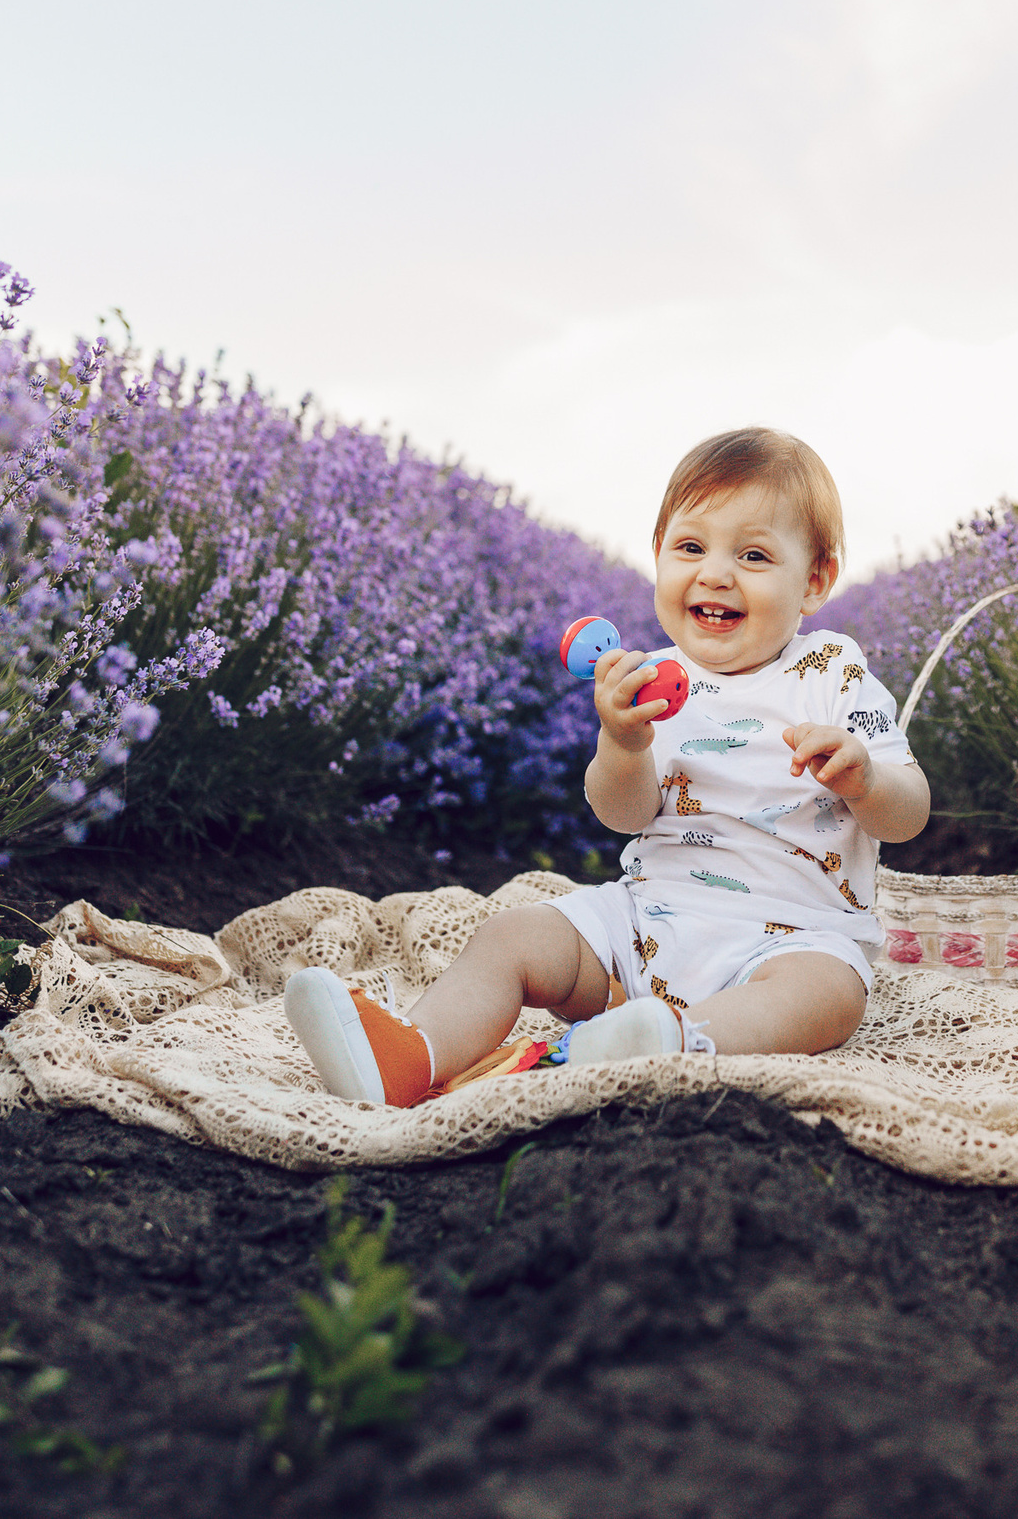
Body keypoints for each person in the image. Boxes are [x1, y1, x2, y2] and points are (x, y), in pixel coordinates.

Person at [285, 426, 931, 1105]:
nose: (715, 572)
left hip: (786, 940)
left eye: (754, 554)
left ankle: (671, 1039)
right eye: (690, 547)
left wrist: (864, 778)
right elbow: (622, 814)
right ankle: (412, 1055)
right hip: (645, 927)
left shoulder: (832, 672)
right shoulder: (650, 679)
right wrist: (622, 743)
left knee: (828, 994)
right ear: (657, 556)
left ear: (816, 580)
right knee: (515, 934)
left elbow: (909, 809)